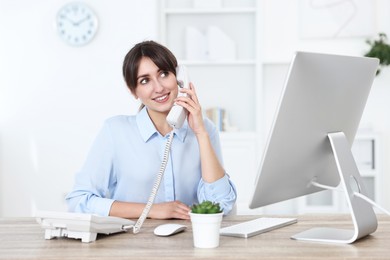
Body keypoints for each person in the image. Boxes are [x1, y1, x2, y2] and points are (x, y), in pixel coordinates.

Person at [65, 40, 237, 220]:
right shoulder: (114, 131)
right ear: (134, 91)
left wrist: (201, 133)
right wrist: (152, 210)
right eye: (145, 80)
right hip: (132, 242)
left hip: (190, 241)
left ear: (178, 77)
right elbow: (78, 201)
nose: (159, 87)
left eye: (164, 74)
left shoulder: (205, 128)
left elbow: (222, 204)